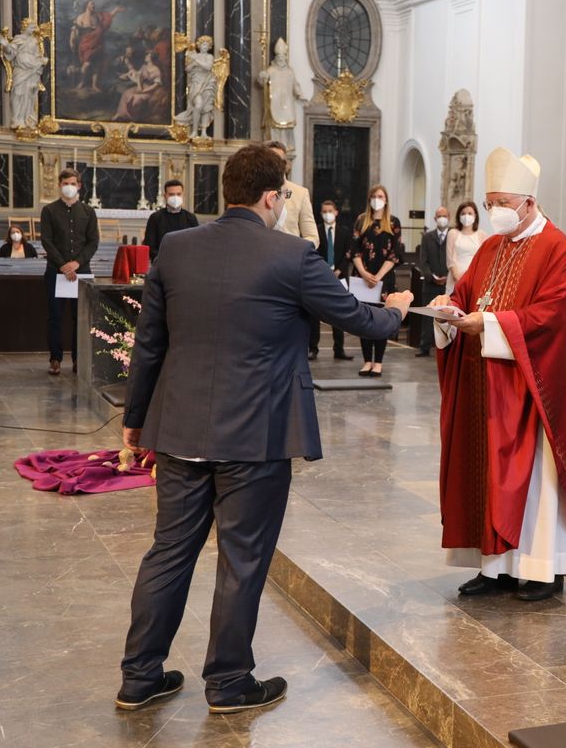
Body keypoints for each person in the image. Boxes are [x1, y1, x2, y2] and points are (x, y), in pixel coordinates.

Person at [118, 143, 411, 714]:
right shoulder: (292, 256)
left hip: (178, 430)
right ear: (273, 195)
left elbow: (149, 346)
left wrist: (134, 423)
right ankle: (228, 684)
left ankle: (139, 677)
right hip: (256, 435)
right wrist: (397, 307)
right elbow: (356, 316)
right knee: (242, 557)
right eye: (282, 197)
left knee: (168, 553)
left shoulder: (175, 249)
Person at [430, 147, 566, 603]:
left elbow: (553, 316)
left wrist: (489, 324)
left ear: (527, 202)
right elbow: (464, 295)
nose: (494, 212)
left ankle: (543, 569)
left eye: (501, 202)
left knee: (535, 479)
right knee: (485, 472)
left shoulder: (556, 248)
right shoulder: (490, 247)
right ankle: (494, 566)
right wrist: (447, 311)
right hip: (486, 385)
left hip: (532, 389)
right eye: (488, 203)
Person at [40, 169, 100, 376]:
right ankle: (55, 359)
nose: (69, 186)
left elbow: (93, 242)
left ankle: (78, 359)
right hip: (55, 272)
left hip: (81, 273)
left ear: (79, 186)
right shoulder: (49, 211)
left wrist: (76, 263)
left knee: (80, 318)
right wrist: (63, 265)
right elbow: (47, 241)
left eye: (73, 183)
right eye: (66, 182)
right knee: (55, 317)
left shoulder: (88, 211)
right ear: (59, 184)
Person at [350, 185, 403, 377]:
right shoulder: (361, 220)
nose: (377, 199)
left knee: (381, 320)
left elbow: (396, 253)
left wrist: (378, 277)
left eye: (380, 196)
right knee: (364, 320)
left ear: (386, 199)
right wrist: (364, 273)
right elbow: (354, 249)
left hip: (384, 280)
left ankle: (378, 362)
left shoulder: (394, 222)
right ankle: (366, 361)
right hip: (363, 280)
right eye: (373, 196)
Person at [308, 200, 355, 361]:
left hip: (339, 277)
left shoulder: (345, 232)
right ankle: (313, 348)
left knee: (338, 313)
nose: (327, 214)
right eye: (324, 211)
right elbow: (313, 253)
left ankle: (339, 349)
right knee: (314, 314)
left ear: (336, 212)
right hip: (320, 277)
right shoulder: (316, 232)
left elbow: (348, 254)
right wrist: (323, 271)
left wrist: (338, 270)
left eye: (330, 211)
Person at [266, 141, 319, 247]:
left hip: (290, 257)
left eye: (279, 161)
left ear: (286, 164)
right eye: (270, 161)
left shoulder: (300, 193)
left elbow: (312, 237)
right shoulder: (254, 191)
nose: (275, 165)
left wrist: (295, 249)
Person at [415, 207, 451, 357]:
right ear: (435, 219)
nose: (442, 218)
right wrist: (432, 277)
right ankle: (424, 346)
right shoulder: (427, 237)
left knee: (448, 315)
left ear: (449, 217)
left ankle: (447, 346)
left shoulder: (454, 236)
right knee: (428, 316)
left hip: (449, 283)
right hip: (430, 284)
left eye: (444, 215)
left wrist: (448, 277)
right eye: (439, 216)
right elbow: (423, 261)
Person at [142, 180, 199, 262]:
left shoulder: (191, 218)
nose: (175, 197)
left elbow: (196, 245)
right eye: (171, 195)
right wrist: (167, 260)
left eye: (178, 194)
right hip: (162, 263)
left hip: (186, 263)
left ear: (183, 195)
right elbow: (150, 247)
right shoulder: (155, 218)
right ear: (165, 196)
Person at [445, 200, 487, 294]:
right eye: (463, 213)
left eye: (469, 213)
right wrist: (458, 278)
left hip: (475, 279)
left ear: (475, 216)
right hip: (455, 279)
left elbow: (483, 260)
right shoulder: (453, 233)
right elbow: (450, 261)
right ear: (459, 216)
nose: (466, 216)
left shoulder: (481, 234)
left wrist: (472, 278)